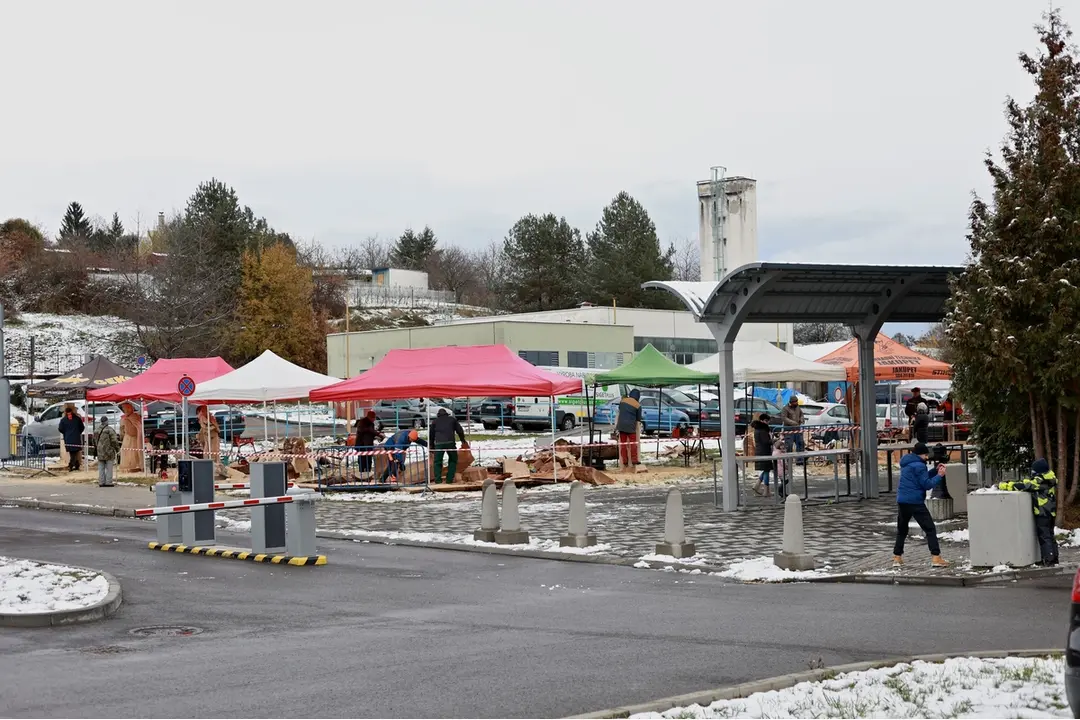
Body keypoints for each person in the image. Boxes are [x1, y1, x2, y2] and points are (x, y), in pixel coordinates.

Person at [893, 441, 949, 567]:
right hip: (915, 502)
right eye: (925, 455)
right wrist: (940, 475)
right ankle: (936, 557)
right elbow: (927, 484)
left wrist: (934, 471)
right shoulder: (919, 465)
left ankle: (897, 557)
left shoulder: (907, 463)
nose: (927, 457)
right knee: (930, 529)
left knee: (902, 529)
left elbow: (921, 479)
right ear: (920, 455)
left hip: (902, 500)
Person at [998, 458, 1059, 567]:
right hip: (1050, 512)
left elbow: (1026, 486)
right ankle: (1054, 559)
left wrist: (1004, 485)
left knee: (1045, 537)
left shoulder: (1040, 481)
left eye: (1034, 471)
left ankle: (1048, 561)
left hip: (1042, 513)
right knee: (1050, 536)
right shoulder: (1049, 478)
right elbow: (1031, 483)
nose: (1032, 473)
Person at [430, 408, 466, 483]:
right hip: (450, 443)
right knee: (453, 459)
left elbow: (431, 435)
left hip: (439, 444)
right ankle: (449, 479)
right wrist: (463, 440)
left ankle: (438, 480)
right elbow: (460, 430)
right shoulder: (452, 419)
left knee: (437, 462)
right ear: (447, 414)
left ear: (438, 415)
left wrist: (432, 446)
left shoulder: (435, 421)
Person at [615, 389, 643, 471]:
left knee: (623, 445)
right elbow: (638, 419)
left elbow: (620, 410)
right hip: (631, 427)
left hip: (621, 426)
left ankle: (624, 461)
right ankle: (634, 460)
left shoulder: (623, 401)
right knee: (633, 444)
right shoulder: (638, 405)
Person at [196, 406, 225, 477]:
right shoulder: (202, 418)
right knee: (208, 453)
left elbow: (214, 427)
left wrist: (213, 427)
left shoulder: (209, 417)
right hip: (208, 438)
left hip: (213, 437)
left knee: (214, 452)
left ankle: (216, 469)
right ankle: (209, 469)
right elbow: (205, 428)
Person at [352, 411, 383, 477]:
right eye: (373, 418)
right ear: (370, 417)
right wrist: (378, 434)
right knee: (362, 460)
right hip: (361, 445)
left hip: (368, 445)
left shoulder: (371, 423)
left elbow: (371, 432)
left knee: (368, 460)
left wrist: (376, 435)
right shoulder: (362, 422)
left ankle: (368, 473)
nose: (374, 419)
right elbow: (366, 430)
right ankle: (362, 473)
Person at [751, 413, 774, 497]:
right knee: (767, 470)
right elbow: (766, 441)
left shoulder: (758, 429)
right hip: (764, 451)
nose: (767, 422)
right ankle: (766, 491)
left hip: (761, 451)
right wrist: (774, 440)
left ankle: (757, 485)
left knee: (765, 470)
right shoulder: (762, 430)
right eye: (766, 421)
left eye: (768, 421)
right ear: (761, 420)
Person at [58, 403, 85, 472]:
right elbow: (82, 427)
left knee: (72, 453)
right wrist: (78, 432)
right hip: (76, 438)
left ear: (66, 412)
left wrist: (66, 433)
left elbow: (60, 429)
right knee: (75, 452)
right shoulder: (77, 419)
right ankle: (76, 465)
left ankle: (71, 465)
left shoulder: (63, 420)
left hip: (68, 439)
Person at [118, 401, 144, 472]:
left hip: (132, 439)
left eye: (126, 408)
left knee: (132, 455)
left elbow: (133, 431)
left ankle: (133, 467)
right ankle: (128, 467)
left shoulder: (132, 417)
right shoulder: (127, 418)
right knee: (128, 454)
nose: (125, 410)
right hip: (129, 439)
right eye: (124, 409)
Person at [94, 416, 119, 487]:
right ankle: (108, 482)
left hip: (99, 451)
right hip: (108, 451)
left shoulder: (96, 430)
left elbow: (94, 441)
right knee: (109, 467)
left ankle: (101, 482)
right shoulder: (110, 430)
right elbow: (114, 441)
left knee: (101, 467)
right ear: (107, 421)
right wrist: (117, 449)